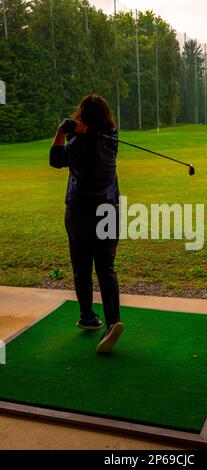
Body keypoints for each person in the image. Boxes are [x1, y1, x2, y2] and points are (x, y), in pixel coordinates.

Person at [49, 94, 124, 354]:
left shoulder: (77, 141)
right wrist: (82, 131)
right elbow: (97, 135)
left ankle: (87, 316)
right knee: (106, 267)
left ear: (82, 116)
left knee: (82, 266)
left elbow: (55, 159)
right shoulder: (112, 137)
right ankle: (112, 321)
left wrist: (63, 129)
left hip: (80, 211)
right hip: (109, 209)